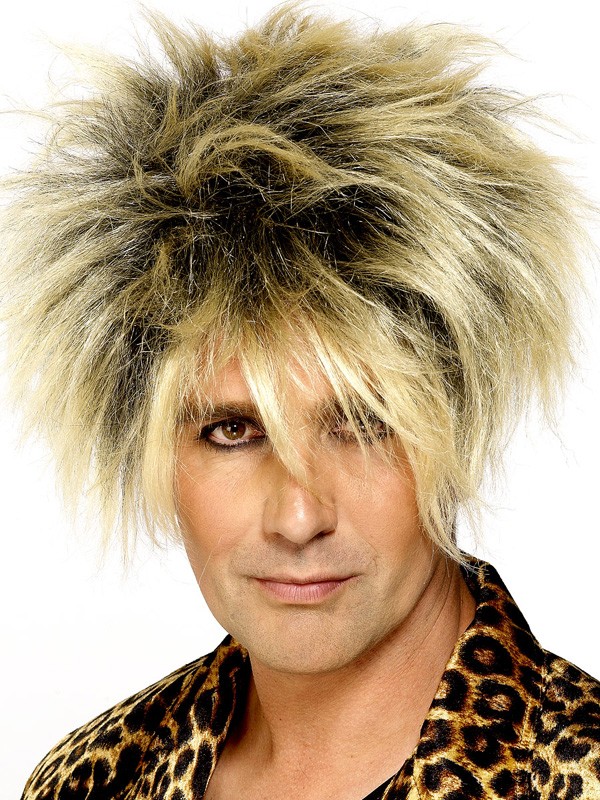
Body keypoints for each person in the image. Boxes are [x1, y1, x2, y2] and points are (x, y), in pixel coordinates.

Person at [2, 2, 599, 798]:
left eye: (362, 423)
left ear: (455, 423)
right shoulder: (93, 779)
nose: (297, 517)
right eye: (231, 430)